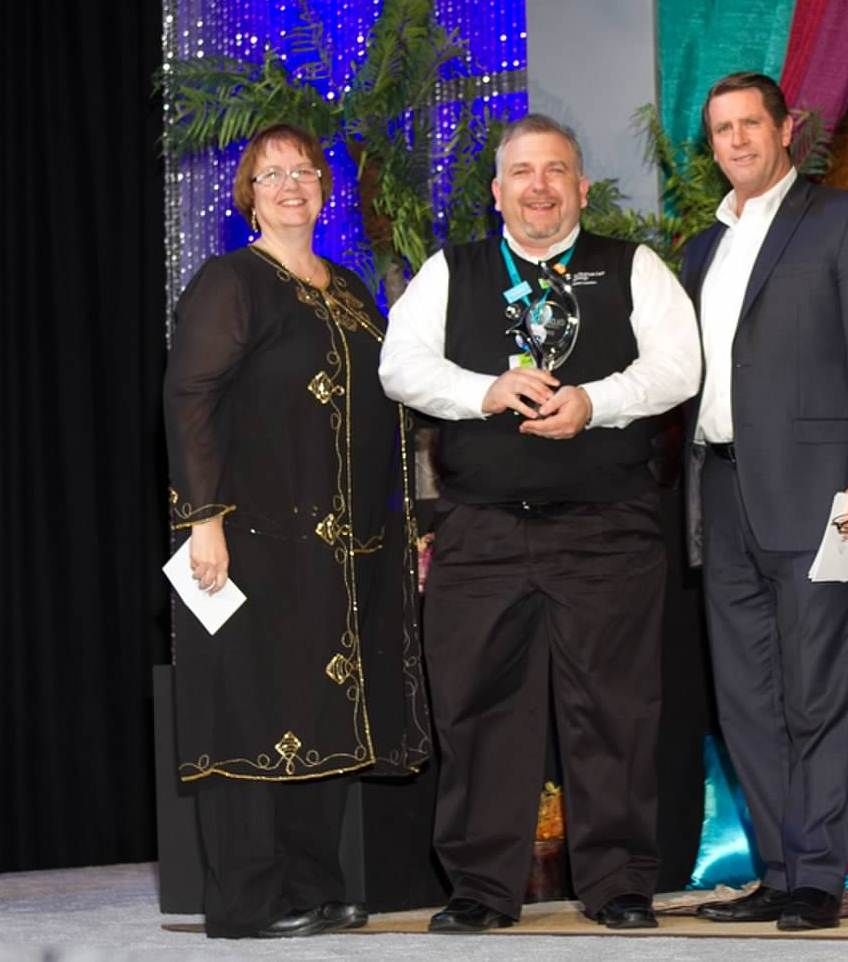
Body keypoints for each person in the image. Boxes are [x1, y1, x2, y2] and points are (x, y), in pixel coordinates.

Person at [379, 113, 700, 932]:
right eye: (522, 172)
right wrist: (482, 390)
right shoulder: (454, 270)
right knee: (480, 709)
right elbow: (398, 364)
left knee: (616, 708)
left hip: (607, 528)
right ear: (497, 192)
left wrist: (596, 404)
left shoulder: (633, 266)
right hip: (481, 532)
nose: (539, 186)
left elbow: (678, 366)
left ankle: (618, 885)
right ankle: (483, 890)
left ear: (581, 187)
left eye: (555, 170)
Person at [163, 123, 431, 939]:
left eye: (304, 171)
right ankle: (249, 903)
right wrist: (201, 521)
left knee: (322, 709)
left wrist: (413, 525)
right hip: (254, 540)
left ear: (324, 188)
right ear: (248, 193)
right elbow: (189, 401)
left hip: (345, 550)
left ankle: (313, 888)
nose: (290, 184)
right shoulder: (229, 281)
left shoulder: (348, 287)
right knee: (252, 711)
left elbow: (394, 411)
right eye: (271, 173)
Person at [682, 73, 848, 930]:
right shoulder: (700, 248)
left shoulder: (843, 220)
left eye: (750, 123)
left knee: (816, 690)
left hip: (822, 495)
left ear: (785, 129)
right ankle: (778, 872)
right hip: (720, 490)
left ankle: (817, 875)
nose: (736, 141)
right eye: (720, 130)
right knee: (745, 696)